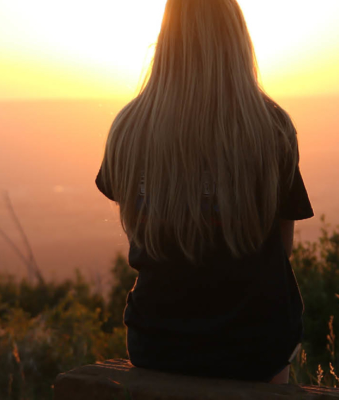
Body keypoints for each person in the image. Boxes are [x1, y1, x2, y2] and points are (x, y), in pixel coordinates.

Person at [95, 0, 314, 384]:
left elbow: (139, 230)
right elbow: (283, 249)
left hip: (157, 343)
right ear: (237, 42)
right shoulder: (272, 130)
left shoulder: (127, 130)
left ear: (167, 41)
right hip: (255, 348)